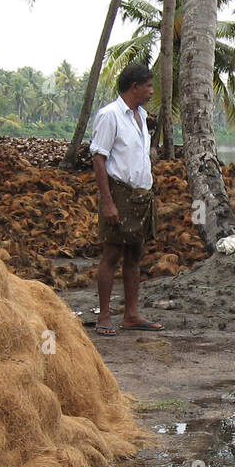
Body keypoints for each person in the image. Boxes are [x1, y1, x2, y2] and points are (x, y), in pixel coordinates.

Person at [91, 61, 162, 334]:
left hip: (141, 195)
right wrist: (107, 202)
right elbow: (99, 159)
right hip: (119, 192)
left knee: (135, 254)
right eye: (148, 86)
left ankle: (131, 315)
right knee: (112, 253)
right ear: (135, 86)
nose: (151, 91)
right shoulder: (110, 115)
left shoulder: (141, 116)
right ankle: (105, 316)